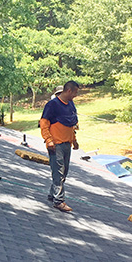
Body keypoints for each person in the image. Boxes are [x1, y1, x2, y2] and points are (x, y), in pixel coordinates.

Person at [40, 81, 80, 212]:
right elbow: (44, 123)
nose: (76, 96)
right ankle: (59, 201)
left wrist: (74, 140)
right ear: (69, 91)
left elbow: (71, 124)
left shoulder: (71, 105)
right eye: (75, 93)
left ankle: (52, 195)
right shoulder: (53, 105)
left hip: (66, 143)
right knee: (58, 172)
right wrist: (48, 140)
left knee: (64, 172)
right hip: (55, 144)